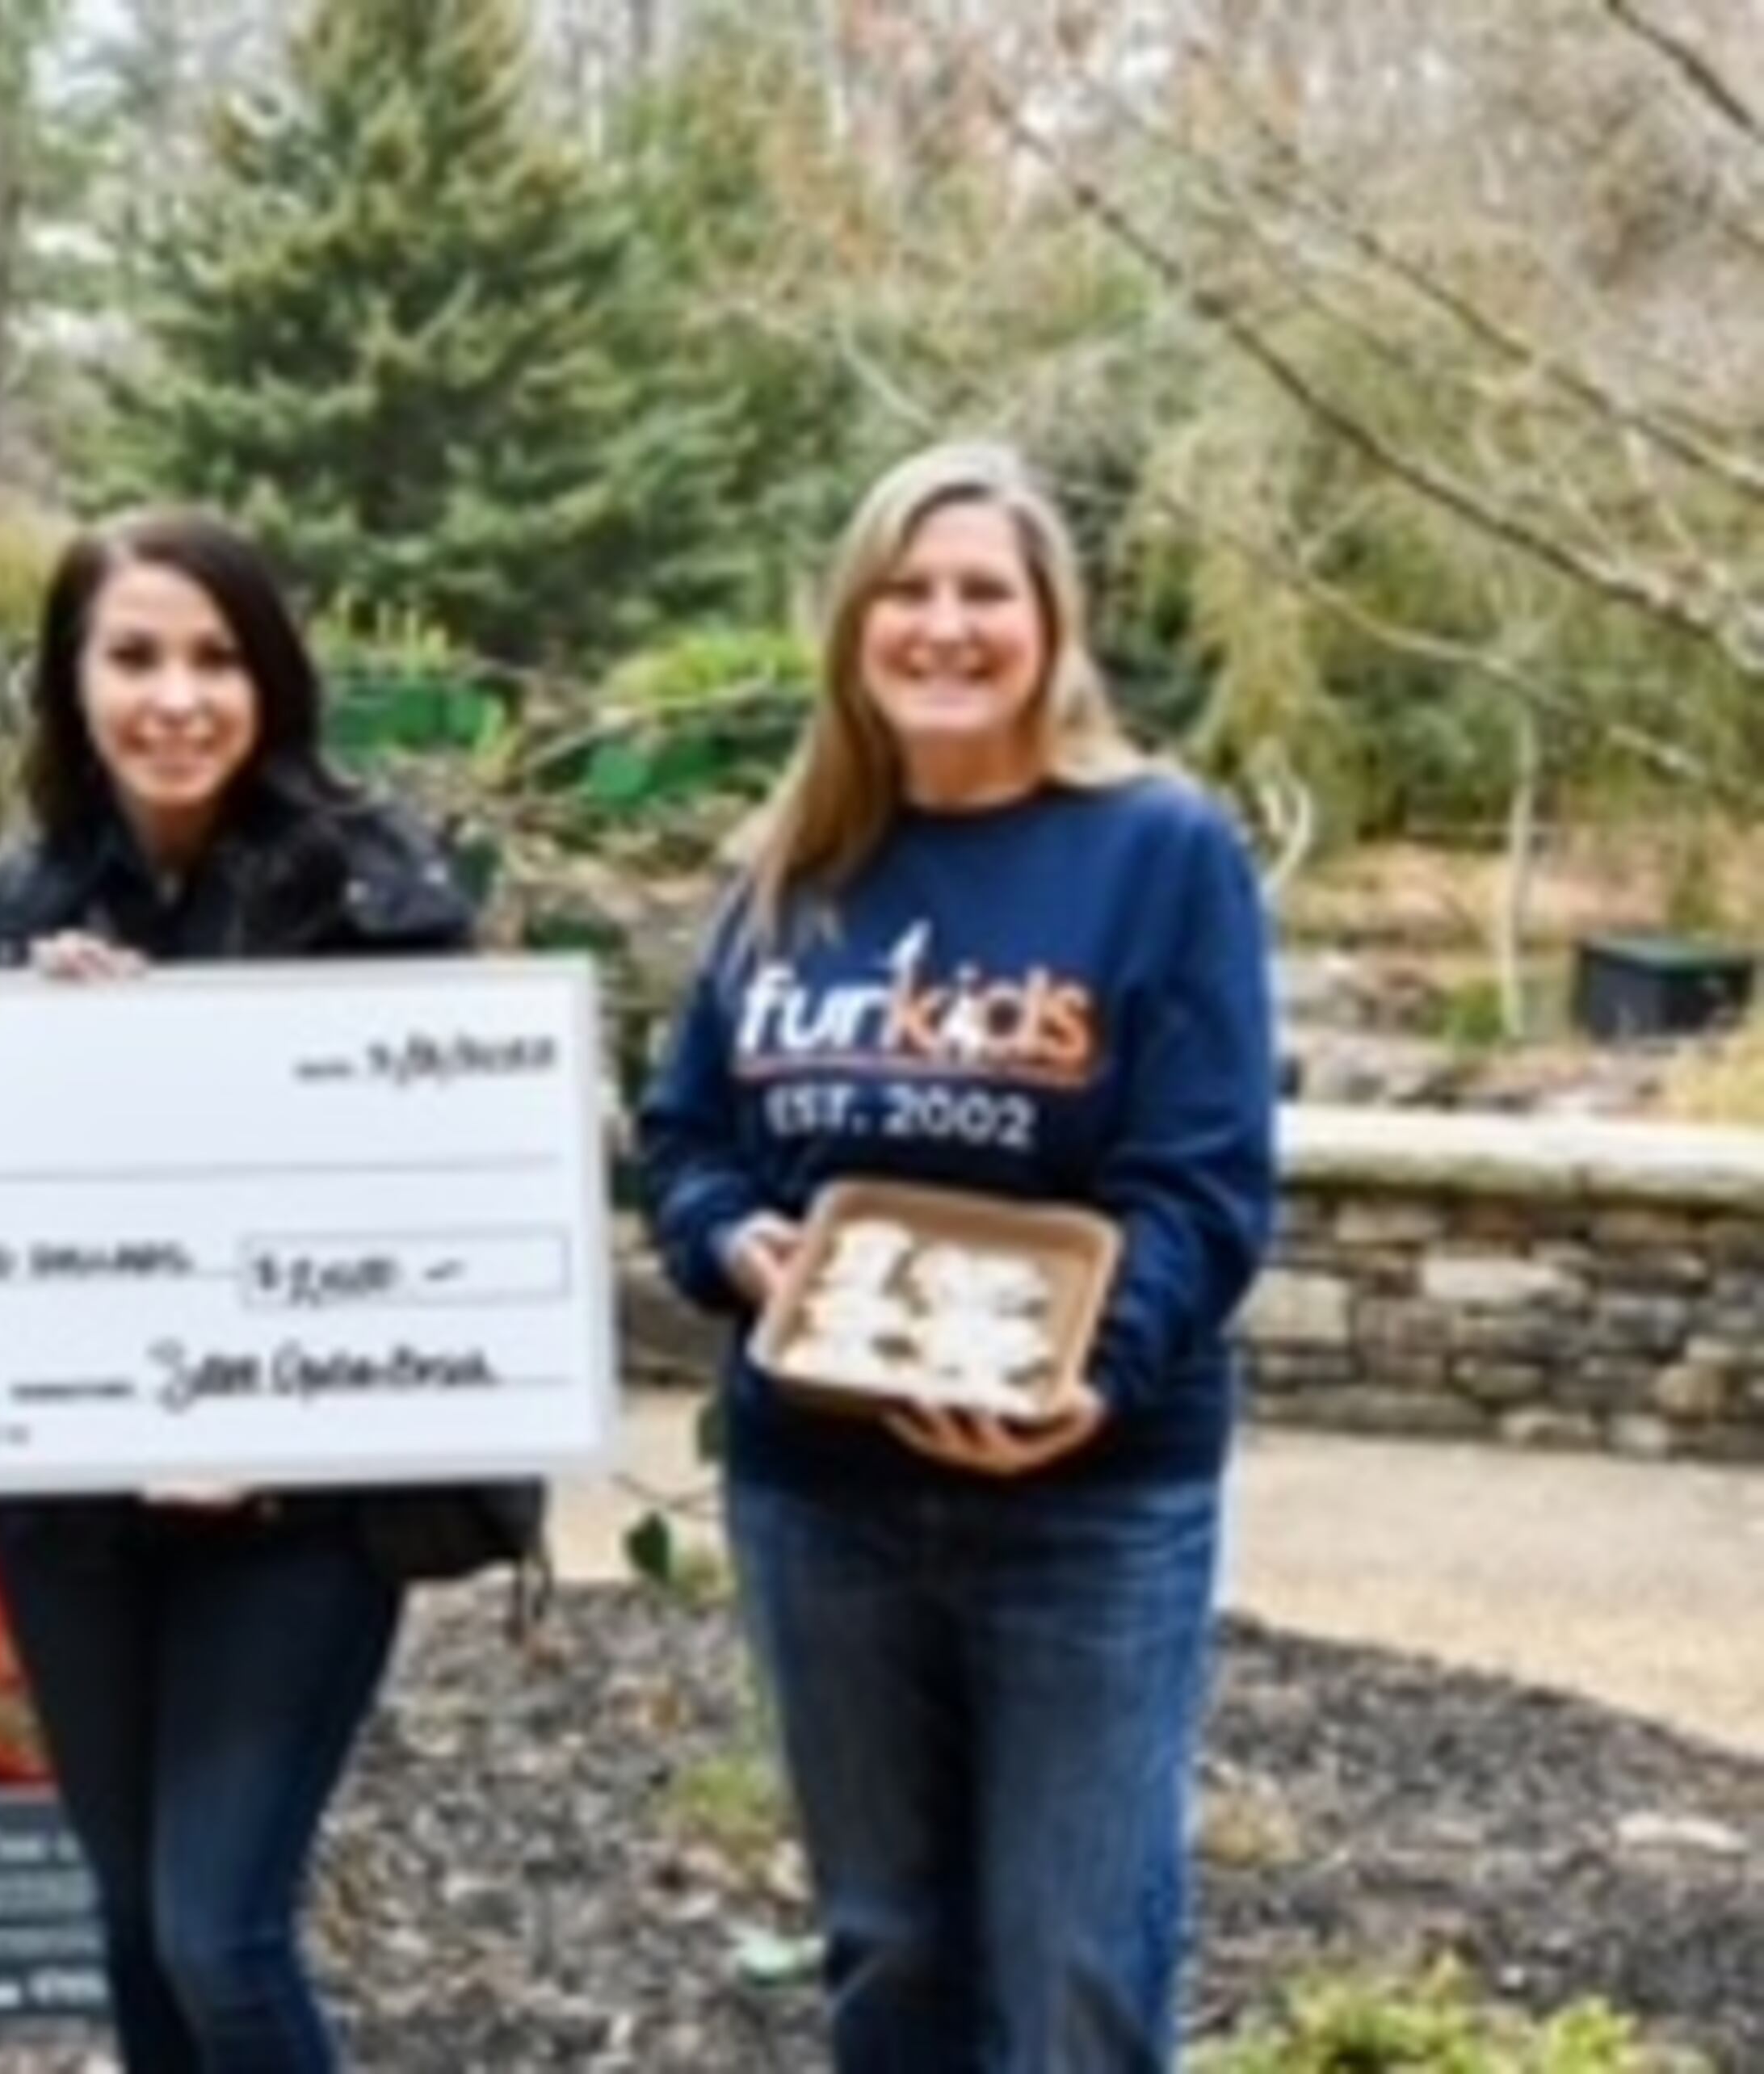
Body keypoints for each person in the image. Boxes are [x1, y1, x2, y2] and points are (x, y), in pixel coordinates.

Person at [637, 439, 1279, 2072]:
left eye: (982, 590)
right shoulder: (790, 866)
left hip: (1090, 1493)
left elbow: (1205, 1180)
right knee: (889, 1953)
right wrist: (733, 1243)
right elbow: (687, 1136)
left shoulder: (1160, 850)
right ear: (854, 625)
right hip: (821, 1488)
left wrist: (1097, 1367)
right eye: (905, 592)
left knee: (1076, 1967)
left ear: (1051, 624)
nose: (944, 626)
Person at [0, 510, 486, 2072]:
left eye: (215, 658)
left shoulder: (384, 898)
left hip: (300, 1520)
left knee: (217, 1933)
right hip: (77, 1510)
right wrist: (40, 1056)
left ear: (273, 681)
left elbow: (445, 1215)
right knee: (130, 1931)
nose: (175, 698)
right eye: (133, 658)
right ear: (71, 683)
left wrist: (287, 1430)